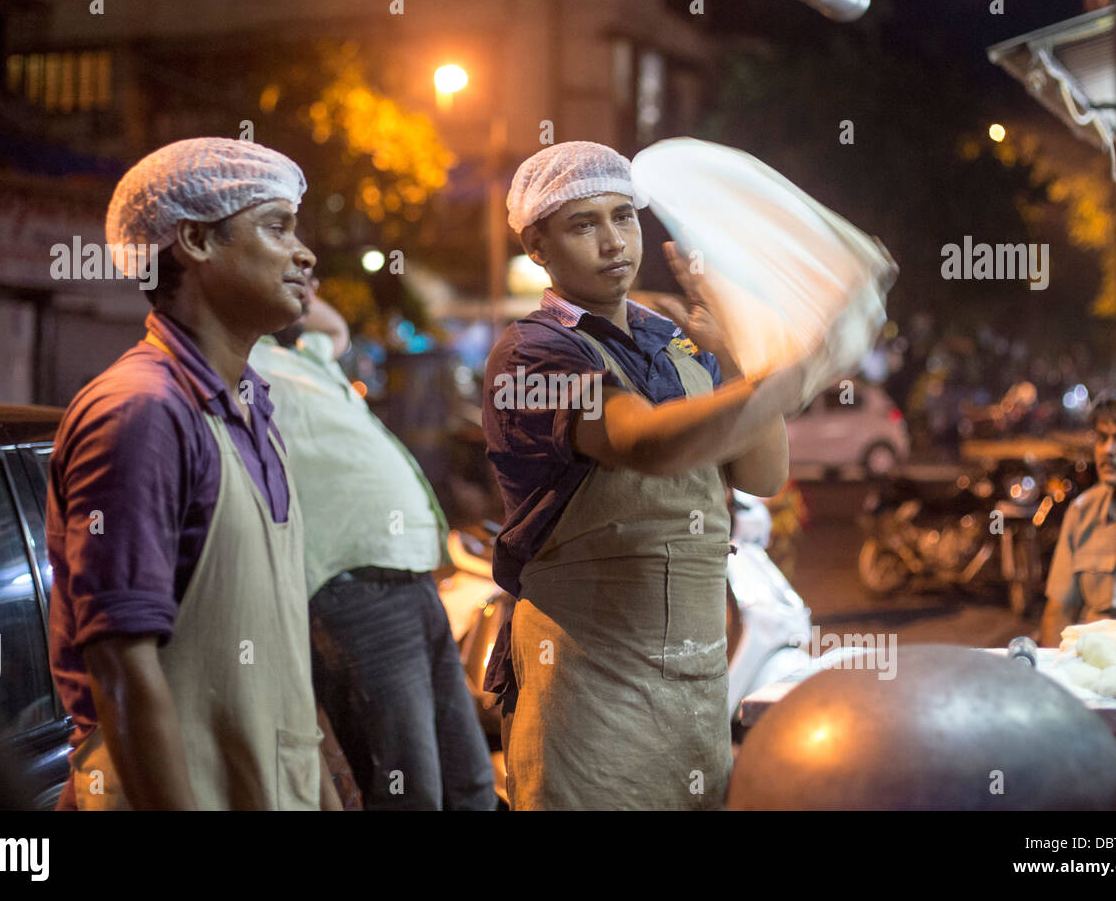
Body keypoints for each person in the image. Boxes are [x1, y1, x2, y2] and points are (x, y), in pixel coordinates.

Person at [482, 141, 862, 810]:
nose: (612, 241)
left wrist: (746, 353)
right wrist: (793, 372)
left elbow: (763, 473)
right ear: (537, 245)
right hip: (587, 687)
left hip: (695, 681)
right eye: (582, 224)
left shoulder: (680, 345)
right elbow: (646, 444)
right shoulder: (535, 354)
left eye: (623, 217)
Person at [46, 137, 341, 810]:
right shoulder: (142, 412)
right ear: (197, 241)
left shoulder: (253, 408)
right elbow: (123, 665)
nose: (306, 253)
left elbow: (283, 663)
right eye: (278, 227)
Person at [249, 276, 497, 810]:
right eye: (275, 234)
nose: (303, 266)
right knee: (412, 792)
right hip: (350, 587)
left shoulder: (298, 354)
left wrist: (292, 285)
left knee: (472, 784)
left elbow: (333, 327)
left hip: (411, 578)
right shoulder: (236, 363)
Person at [1039, 392, 1116, 647]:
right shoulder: (1082, 511)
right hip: (1092, 667)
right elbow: (1059, 612)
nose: (1108, 450)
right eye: (1102, 438)